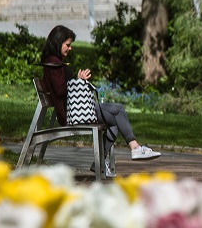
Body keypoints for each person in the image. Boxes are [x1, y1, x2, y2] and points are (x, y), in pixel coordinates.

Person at [40, 25, 160, 174]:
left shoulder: (54, 61)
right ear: (58, 42)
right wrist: (77, 80)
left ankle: (103, 161)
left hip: (74, 109)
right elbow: (60, 90)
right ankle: (134, 148)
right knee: (118, 111)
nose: (70, 49)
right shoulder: (53, 62)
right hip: (73, 113)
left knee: (115, 120)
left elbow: (63, 88)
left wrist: (77, 80)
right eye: (68, 45)